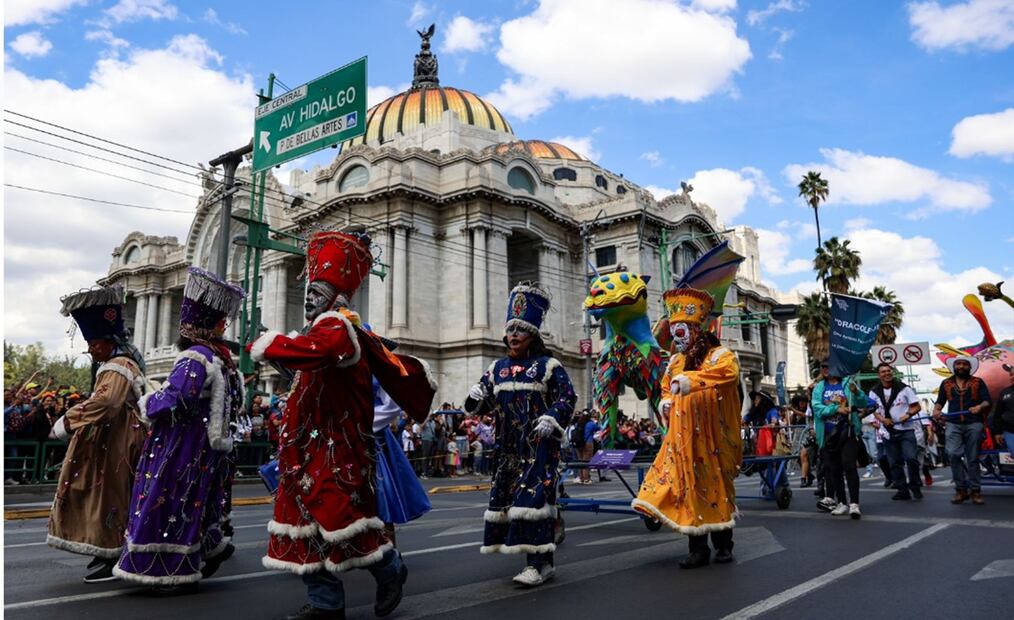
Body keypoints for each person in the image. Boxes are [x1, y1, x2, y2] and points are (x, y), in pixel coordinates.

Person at [249, 231, 435, 619]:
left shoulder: (337, 326)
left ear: (337, 297)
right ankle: (325, 602)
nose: (309, 299)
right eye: (309, 292)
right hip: (305, 451)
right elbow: (312, 369)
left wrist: (271, 344)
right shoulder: (321, 330)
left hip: (334, 451)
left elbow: (323, 351)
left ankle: (391, 569)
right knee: (301, 524)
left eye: (317, 291)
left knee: (342, 519)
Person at [114, 268, 244, 593]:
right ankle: (205, 548)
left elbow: (177, 397)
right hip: (207, 445)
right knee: (198, 500)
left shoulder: (195, 357)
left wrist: (147, 402)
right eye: (220, 322)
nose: (224, 325)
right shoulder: (223, 359)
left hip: (181, 444)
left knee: (168, 501)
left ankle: (167, 566)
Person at [464, 283, 576, 587]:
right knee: (511, 502)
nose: (513, 335)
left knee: (535, 500)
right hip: (507, 451)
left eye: (521, 330)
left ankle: (539, 564)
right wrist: (475, 397)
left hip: (538, 447)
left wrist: (552, 419)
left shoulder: (548, 366)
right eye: (510, 329)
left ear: (533, 335)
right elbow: (482, 405)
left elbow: (567, 398)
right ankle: (537, 559)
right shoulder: (496, 368)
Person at [632, 287, 743, 568]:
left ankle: (723, 545)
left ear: (695, 329)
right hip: (682, 438)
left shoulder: (721, 355)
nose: (676, 339)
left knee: (715, 486)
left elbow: (727, 376)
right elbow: (667, 385)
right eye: (673, 333)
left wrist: (692, 381)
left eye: (680, 332)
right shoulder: (676, 361)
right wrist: (666, 401)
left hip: (712, 436)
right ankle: (698, 548)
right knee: (688, 489)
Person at [46, 285, 148, 583]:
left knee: (111, 495)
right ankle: (106, 547)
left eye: (92, 342)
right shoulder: (118, 363)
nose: (90, 348)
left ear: (107, 341)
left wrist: (67, 420)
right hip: (111, 440)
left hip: (117, 444)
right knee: (104, 494)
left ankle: (114, 550)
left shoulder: (117, 366)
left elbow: (106, 402)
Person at [933, 355, 992, 505]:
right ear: (954, 366)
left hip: (974, 423)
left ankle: (975, 491)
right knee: (952, 454)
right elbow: (940, 402)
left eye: (964, 364)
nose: (961, 367)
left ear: (969, 367)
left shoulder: (978, 382)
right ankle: (961, 490)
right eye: (958, 364)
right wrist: (936, 410)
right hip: (953, 423)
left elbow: (987, 400)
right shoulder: (945, 383)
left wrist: (979, 406)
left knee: (972, 458)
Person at [811, 364, 866, 519]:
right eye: (822, 367)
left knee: (849, 465)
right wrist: (836, 409)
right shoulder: (819, 387)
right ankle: (841, 502)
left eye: (829, 366)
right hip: (828, 435)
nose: (826, 369)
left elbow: (862, 402)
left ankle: (854, 504)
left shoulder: (848, 383)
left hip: (847, 431)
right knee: (833, 469)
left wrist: (857, 393)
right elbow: (817, 408)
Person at [868, 363, 923, 500]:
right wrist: (882, 419)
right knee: (894, 462)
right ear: (879, 375)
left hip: (906, 430)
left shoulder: (904, 388)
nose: (886, 373)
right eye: (883, 371)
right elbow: (872, 409)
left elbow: (916, 406)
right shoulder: (874, 391)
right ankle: (902, 489)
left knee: (911, 458)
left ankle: (915, 485)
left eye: (888, 371)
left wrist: (907, 415)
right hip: (887, 431)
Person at [989, 363, 1014, 457]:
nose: (1012, 377)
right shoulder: (1004, 393)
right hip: (1010, 431)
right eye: (1011, 375)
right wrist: (997, 432)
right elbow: (997, 414)